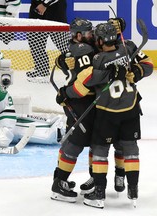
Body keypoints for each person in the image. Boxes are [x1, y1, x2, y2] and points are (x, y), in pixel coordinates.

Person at [68, 22, 153, 208]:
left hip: (107, 113)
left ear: (99, 40)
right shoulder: (128, 48)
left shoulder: (97, 59)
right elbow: (148, 64)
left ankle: (99, 193)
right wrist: (135, 71)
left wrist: (67, 92)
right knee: (130, 148)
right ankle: (133, 189)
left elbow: (86, 80)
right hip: (131, 109)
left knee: (100, 151)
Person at [50, 17, 130, 202]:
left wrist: (115, 29)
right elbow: (92, 77)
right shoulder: (83, 49)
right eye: (87, 33)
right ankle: (59, 182)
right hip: (80, 101)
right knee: (76, 143)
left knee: (96, 142)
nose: (91, 35)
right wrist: (113, 71)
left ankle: (91, 179)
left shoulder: (79, 46)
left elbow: (101, 45)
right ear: (78, 35)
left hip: (89, 101)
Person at [26, 0, 69, 83]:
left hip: (55, 10)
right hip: (37, 9)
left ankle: (77, 71)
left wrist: (44, 4)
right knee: (35, 42)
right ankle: (42, 71)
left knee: (64, 45)